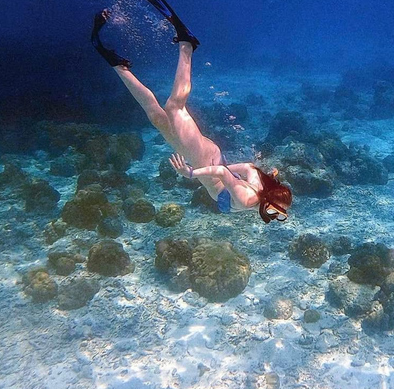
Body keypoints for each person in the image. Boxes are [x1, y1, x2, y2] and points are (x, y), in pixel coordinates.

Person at [91, 0, 291, 223]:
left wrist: (217, 168)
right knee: (173, 108)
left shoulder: (258, 189)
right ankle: (187, 44)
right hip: (200, 159)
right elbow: (224, 174)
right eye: (275, 211)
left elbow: (248, 167)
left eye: (277, 214)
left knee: (157, 117)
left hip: (207, 157)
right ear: (268, 201)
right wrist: (193, 173)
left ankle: (116, 65)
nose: (272, 216)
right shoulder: (247, 200)